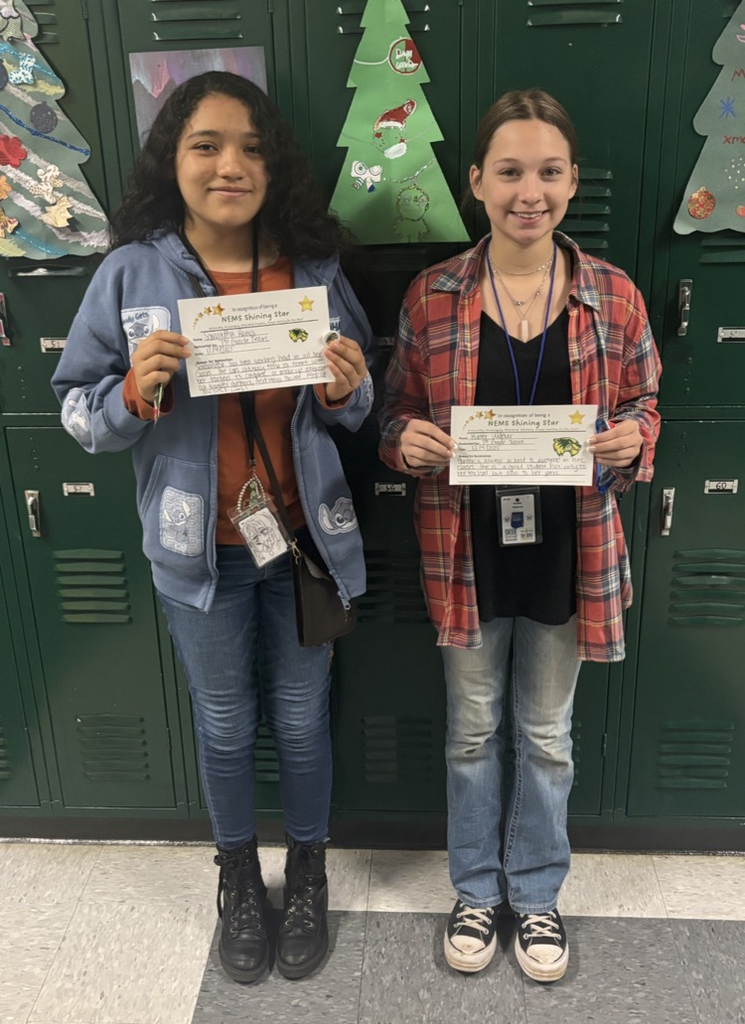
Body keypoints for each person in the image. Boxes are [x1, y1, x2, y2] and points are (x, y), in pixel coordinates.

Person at [52, 70, 374, 984]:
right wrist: (126, 392)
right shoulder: (130, 272)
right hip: (199, 557)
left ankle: (304, 871)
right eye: (206, 145)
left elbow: (363, 406)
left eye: (251, 148)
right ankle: (239, 878)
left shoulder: (311, 272)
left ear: (275, 168)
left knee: (304, 723)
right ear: (173, 160)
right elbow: (76, 412)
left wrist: (348, 391)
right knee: (227, 724)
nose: (230, 165)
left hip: (305, 545)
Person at [379, 89, 661, 983]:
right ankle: (474, 888)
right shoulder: (433, 297)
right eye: (508, 171)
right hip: (465, 553)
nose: (526, 191)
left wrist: (632, 439)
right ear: (475, 182)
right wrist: (404, 439)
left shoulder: (611, 296)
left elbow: (646, 405)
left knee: (545, 735)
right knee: (470, 732)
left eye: (546, 171)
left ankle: (533, 895)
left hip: (568, 554)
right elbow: (394, 413)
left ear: (572, 183)